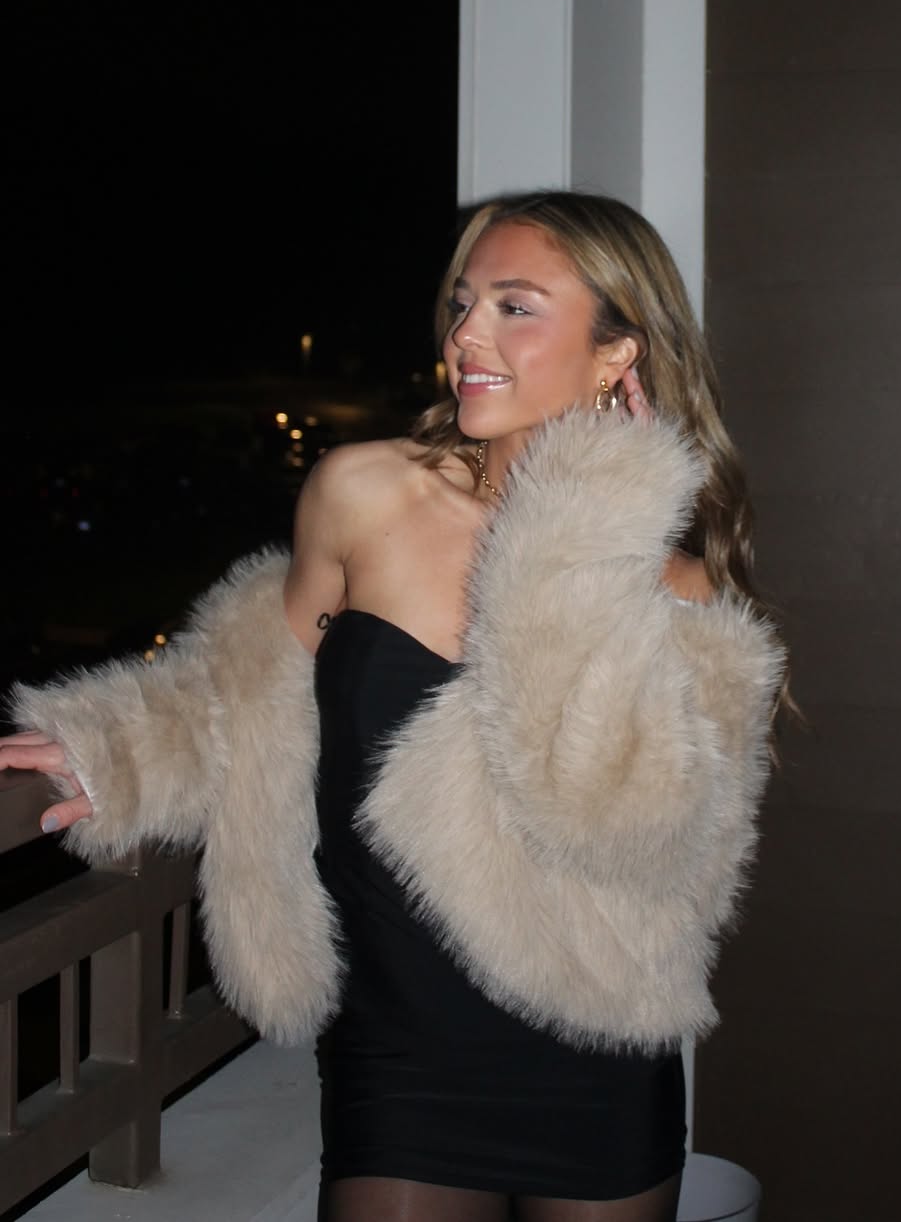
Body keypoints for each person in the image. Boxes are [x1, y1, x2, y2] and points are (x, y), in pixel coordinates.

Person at [2, 190, 787, 1222]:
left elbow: (632, 832)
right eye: (463, 303)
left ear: (616, 354)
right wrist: (121, 750)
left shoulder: (673, 584)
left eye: (515, 307)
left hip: (592, 1044)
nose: (467, 337)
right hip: (398, 1042)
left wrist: (585, 541)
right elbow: (256, 689)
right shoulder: (365, 495)